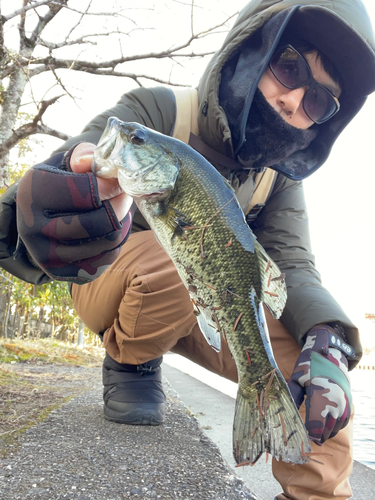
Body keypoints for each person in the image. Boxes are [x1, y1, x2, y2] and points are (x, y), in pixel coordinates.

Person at [1, 0, 375, 498]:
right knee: (181, 258)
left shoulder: (279, 181)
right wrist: (51, 204)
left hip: (216, 312)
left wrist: (329, 338)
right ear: (252, 50)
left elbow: (293, 267)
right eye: (289, 67)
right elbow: (73, 163)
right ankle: (131, 361)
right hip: (119, 290)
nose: (293, 100)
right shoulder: (153, 115)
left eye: (319, 103)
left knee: (320, 396)